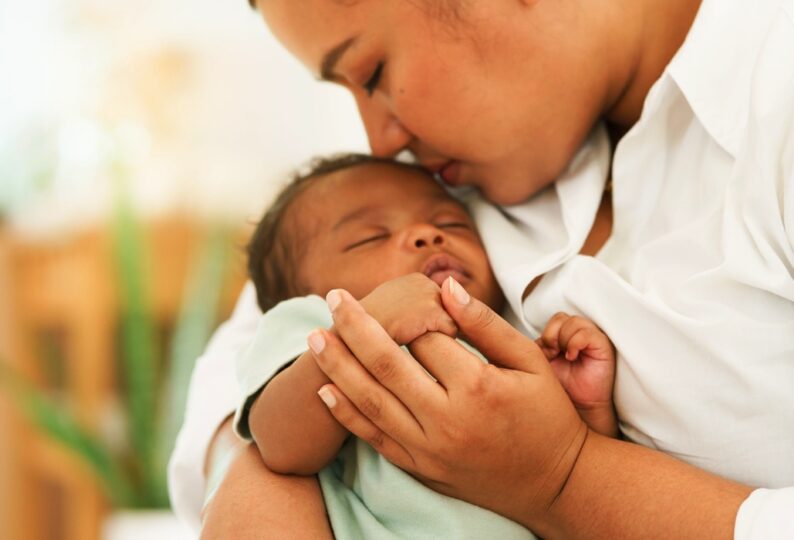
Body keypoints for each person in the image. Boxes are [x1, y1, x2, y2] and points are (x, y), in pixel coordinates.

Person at [171, 1, 794, 538]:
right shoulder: (441, 178)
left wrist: (567, 479)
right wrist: (270, 473)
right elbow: (247, 379)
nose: (381, 140)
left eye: (372, 71)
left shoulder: (772, 108)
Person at [233, 153, 618, 539]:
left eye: (450, 222)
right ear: (300, 290)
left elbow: (581, 492)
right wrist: (363, 331)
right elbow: (280, 444)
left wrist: (584, 410)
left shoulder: (509, 340)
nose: (427, 234)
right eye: (371, 237)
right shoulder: (312, 321)